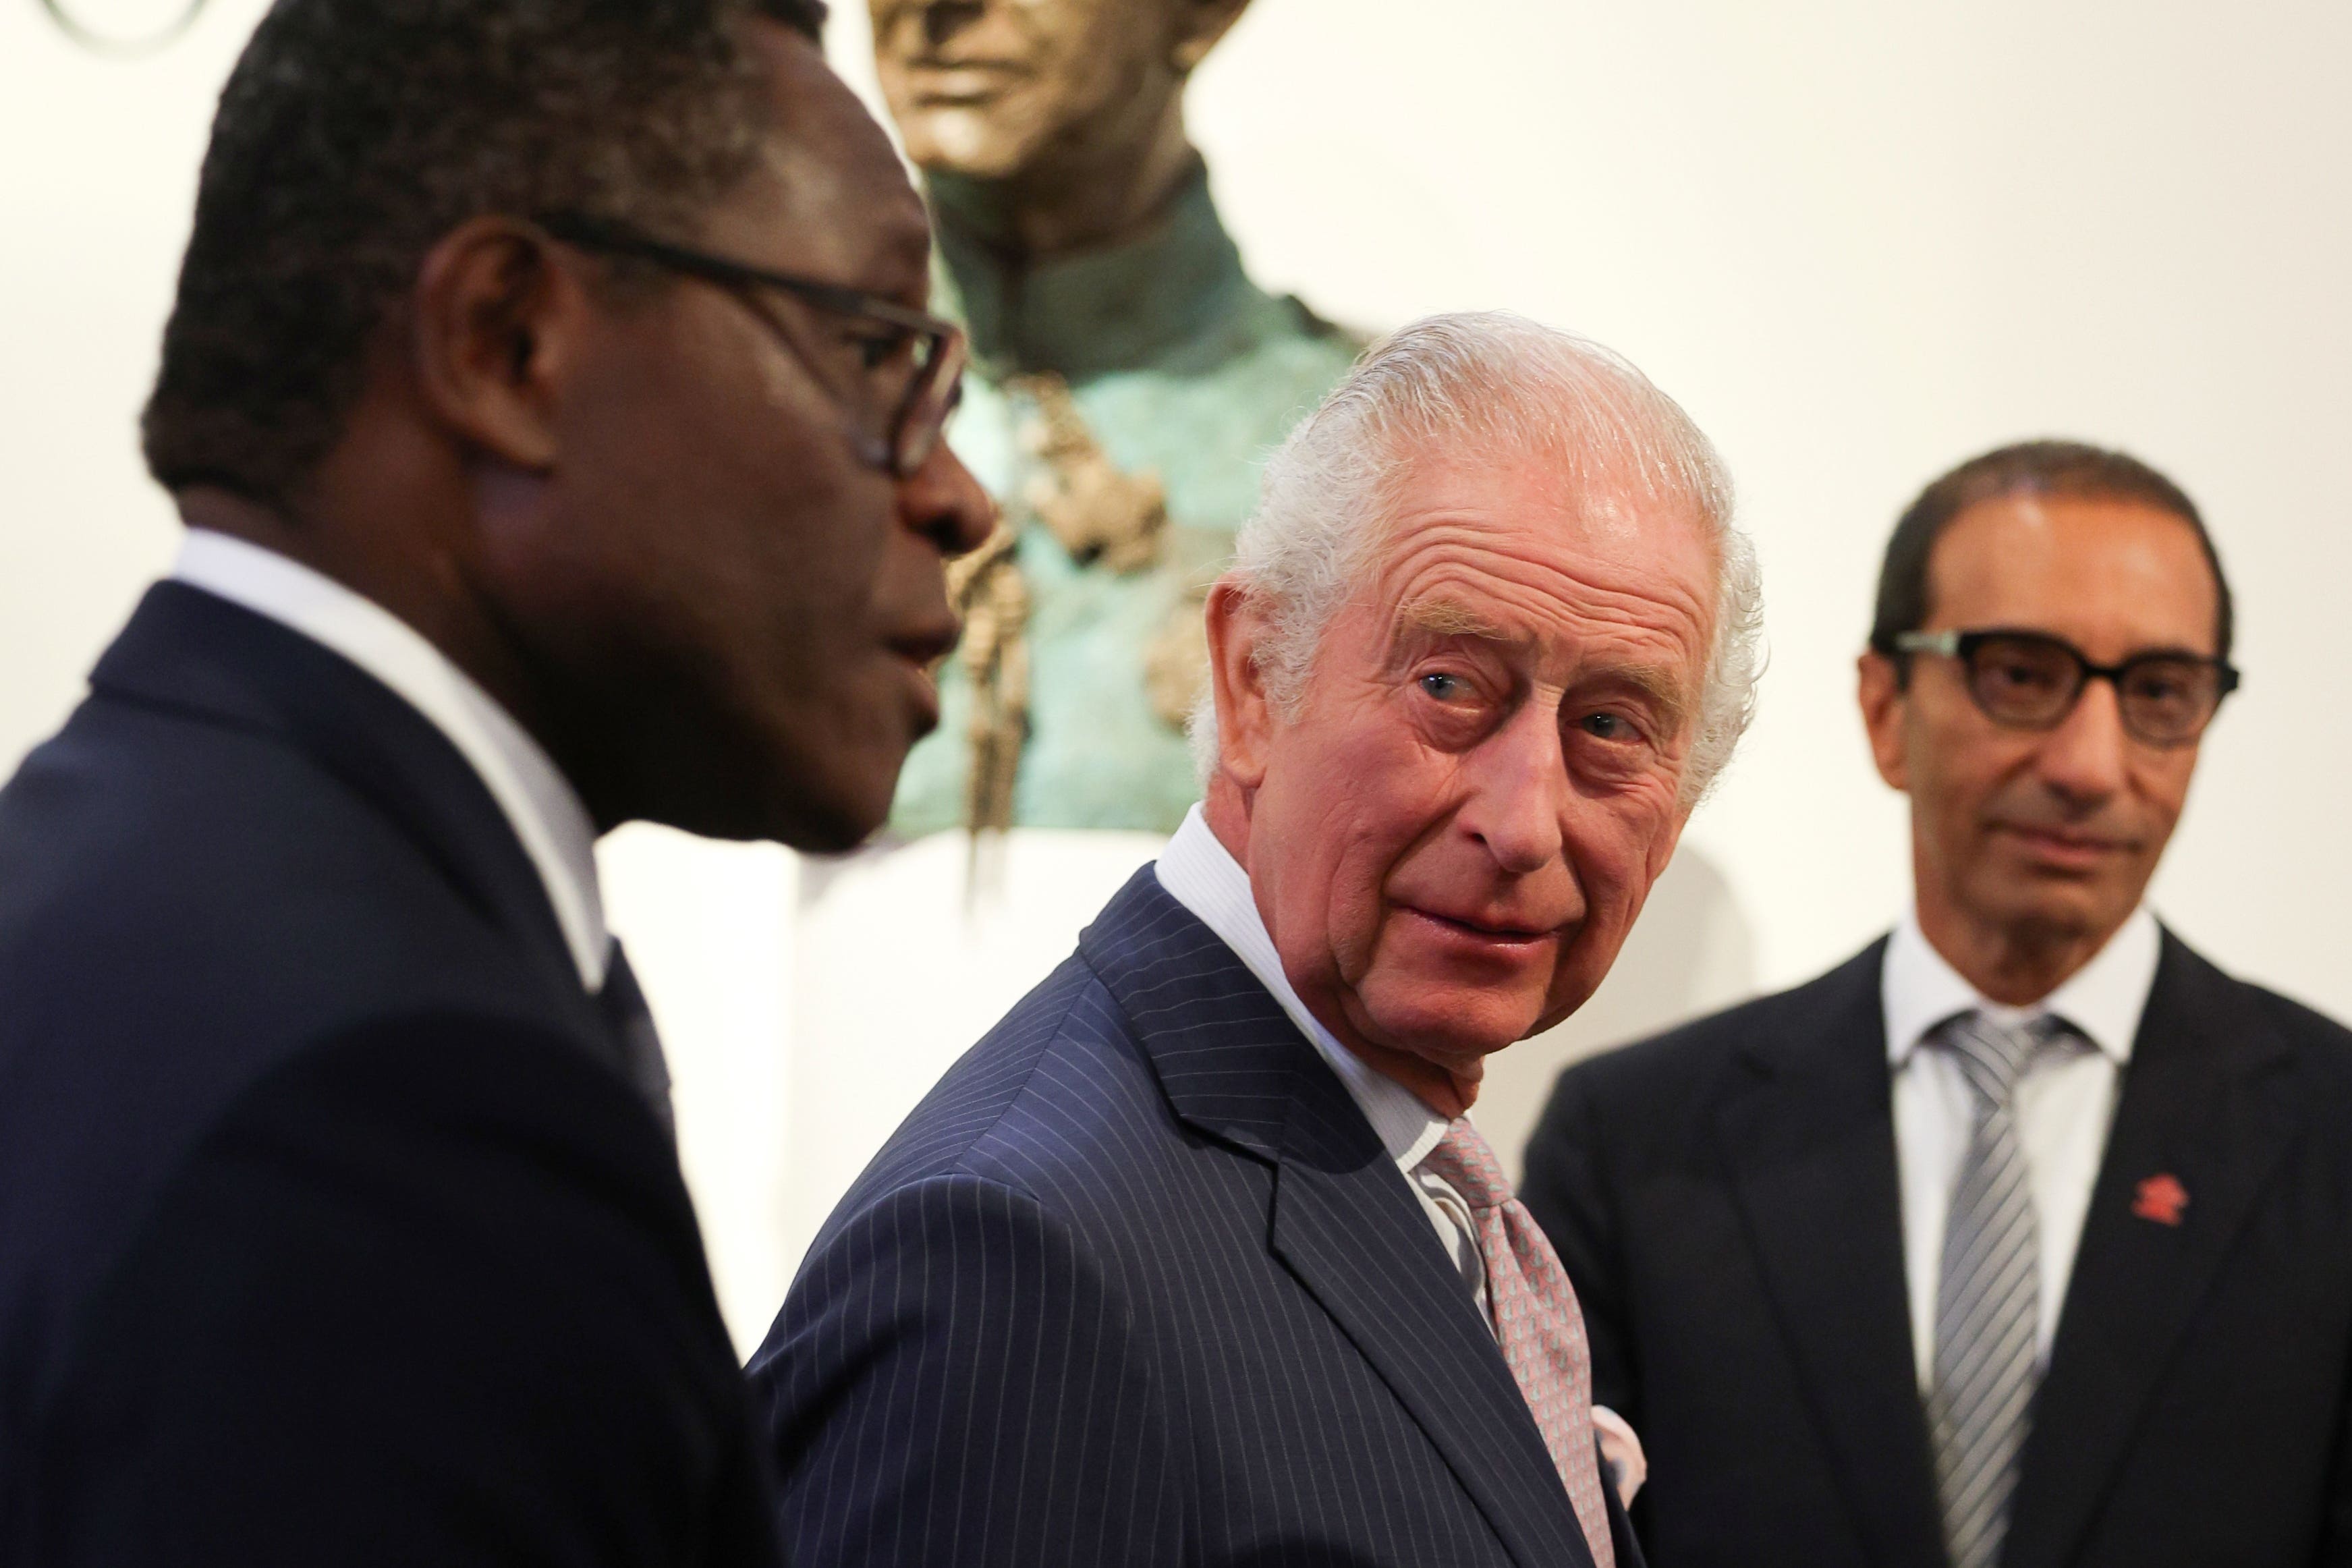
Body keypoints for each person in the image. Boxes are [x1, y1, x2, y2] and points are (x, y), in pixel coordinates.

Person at [0, 1, 991, 1561]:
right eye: (876, 351)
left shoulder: (118, 865)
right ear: (507, 344)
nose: (958, 493)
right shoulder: (390, 1107)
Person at [751, 312, 1764, 1567]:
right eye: (1450, 687)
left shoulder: (1413, 1175)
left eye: (1611, 726)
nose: (1521, 823)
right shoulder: (1016, 1255)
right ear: (1250, 683)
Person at [1521, 441, 2352, 1568]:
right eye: (2020, 673)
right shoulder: (1636, 1144)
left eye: (2158, 693)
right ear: (1881, 707)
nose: (2091, 763)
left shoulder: (2328, 1133)